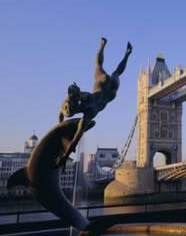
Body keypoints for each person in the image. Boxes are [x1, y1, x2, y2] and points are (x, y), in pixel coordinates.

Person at [56, 37, 132, 168]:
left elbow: (76, 138)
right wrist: (60, 125)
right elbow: (63, 112)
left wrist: (65, 155)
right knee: (107, 69)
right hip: (102, 84)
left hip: (108, 91)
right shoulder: (82, 98)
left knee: (114, 72)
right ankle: (111, 48)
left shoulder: (89, 112)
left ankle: (121, 52)